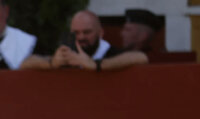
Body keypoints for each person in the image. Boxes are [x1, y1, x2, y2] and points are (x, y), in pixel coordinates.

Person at [20, 10, 149, 72]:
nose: (81, 37)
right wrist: (52, 63)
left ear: (101, 33)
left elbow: (141, 57)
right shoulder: (68, 53)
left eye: (87, 32)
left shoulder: (110, 52)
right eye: (76, 33)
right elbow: (25, 63)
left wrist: (96, 65)